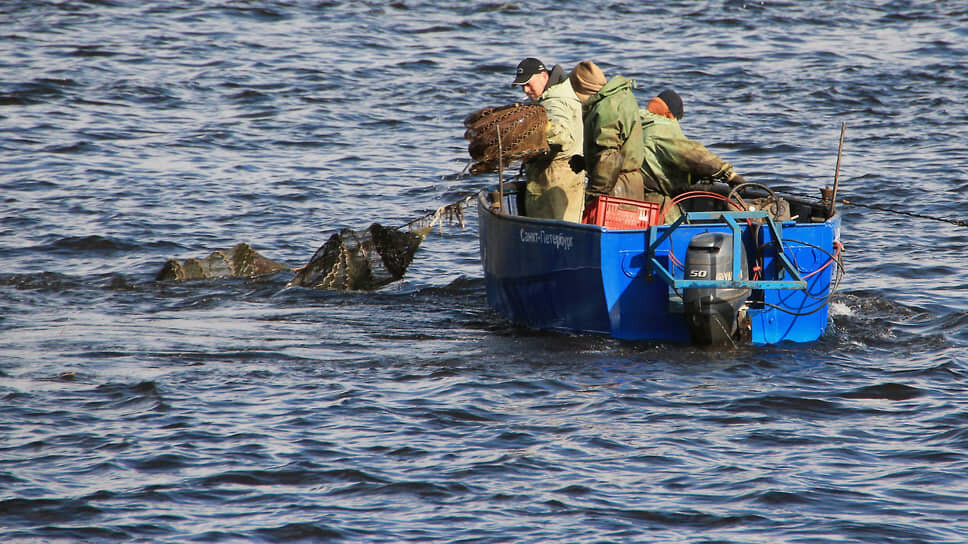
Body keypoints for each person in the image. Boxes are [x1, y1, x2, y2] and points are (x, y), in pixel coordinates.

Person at [638, 89, 747, 222]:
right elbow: (693, 155)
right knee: (676, 232)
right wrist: (728, 175)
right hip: (655, 201)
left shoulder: (639, 124)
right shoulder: (661, 128)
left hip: (635, 195)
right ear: (669, 115)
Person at [510, 57, 585, 222]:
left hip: (555, 181)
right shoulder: (563, 93)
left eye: (529, 84)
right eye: (522, 86)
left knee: (556, 234)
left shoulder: (553, 103)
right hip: (566, 180)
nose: (525, 91)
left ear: (544, 76)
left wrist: (532, 127)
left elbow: (562, 135)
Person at [569, 60, 645, 207]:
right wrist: (587, 163)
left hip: (617, 188)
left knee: (614, 228)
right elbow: (622, 147)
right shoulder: (621, 97)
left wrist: (594, 194)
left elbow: (609, 157)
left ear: (581, 89)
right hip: (629, 184)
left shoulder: (606, 108)